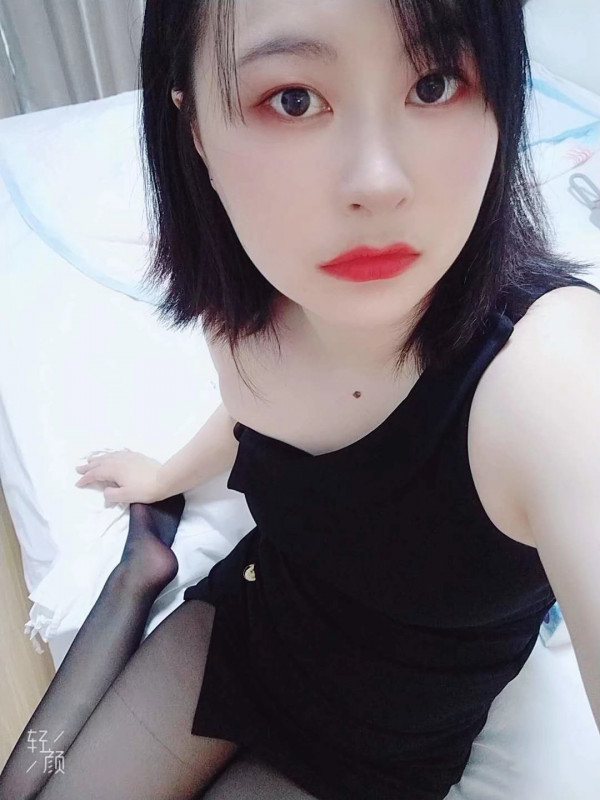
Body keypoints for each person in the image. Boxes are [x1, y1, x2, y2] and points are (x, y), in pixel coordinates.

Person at [2, 0, 600, 798]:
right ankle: (142, 566)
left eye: (433, 84)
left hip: (381, 740)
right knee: (34, 784)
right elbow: (253, 416)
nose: (378, 182)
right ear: (194, 129)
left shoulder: (549, 377)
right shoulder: (244, 317)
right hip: (252, 624)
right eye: (293, 99)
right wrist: (165, 476)